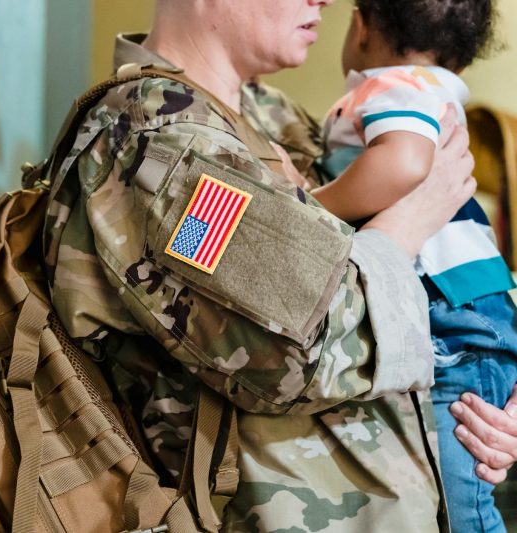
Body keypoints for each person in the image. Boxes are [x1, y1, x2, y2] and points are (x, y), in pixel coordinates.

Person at [43, 0, 517, 530]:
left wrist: (494, 390)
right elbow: (300, 354)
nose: (326, 1)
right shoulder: (159, 144)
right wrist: (410, 219)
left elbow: (428, 293)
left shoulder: (273, 117)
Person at [275, 1, 517, 531]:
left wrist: (311, 208)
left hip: (451, 319)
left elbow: (405, 164)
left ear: (362, 27)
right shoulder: (434, 91)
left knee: (462, 508)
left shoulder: (390, 85)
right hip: (471, 308)